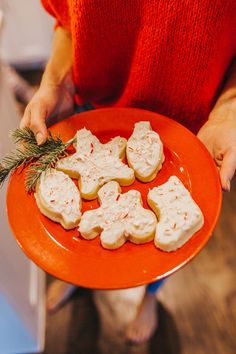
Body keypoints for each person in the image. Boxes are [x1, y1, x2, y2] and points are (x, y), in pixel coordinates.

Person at [20, 0, 236, 344]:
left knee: (168, 236)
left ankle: (151, 296)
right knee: (81, 239)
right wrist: (56, 79)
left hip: (186, 131)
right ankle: (79, 278)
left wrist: (230, 107)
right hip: (95, 115)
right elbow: (67, 20)